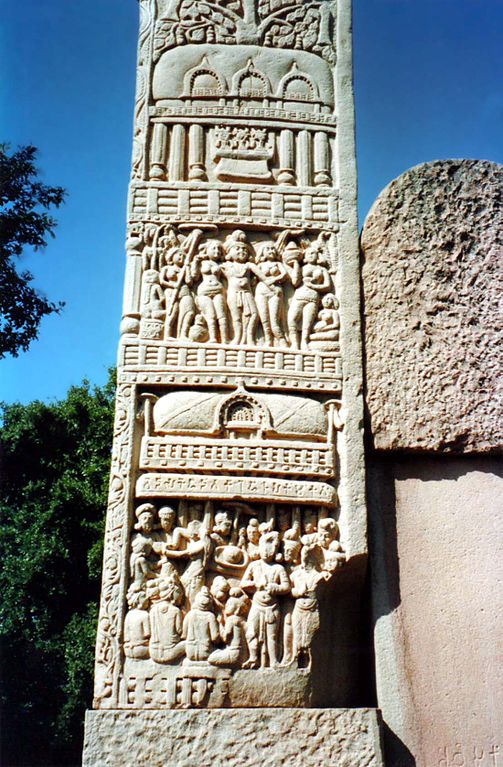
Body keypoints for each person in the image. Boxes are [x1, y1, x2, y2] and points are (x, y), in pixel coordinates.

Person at [240, 531, 290, 668]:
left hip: (272, 607)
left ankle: (273, 661)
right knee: (251, 631)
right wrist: (256, 584)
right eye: (264, 550)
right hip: (257, 604)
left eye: (269, 552)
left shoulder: (278, 568)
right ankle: (253, 658)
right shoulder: (254, 565)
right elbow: (243, 583)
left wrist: (275, 587)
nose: (266, 554)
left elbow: (286, 587)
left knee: (272, 636)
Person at [286, 243, 331, 349]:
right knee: (291, 320)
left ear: (317, 256)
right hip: (299, 295)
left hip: (313, 297)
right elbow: (295, 282)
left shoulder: (322, 269)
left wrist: (313, 286)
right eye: (308, 253)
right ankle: (294, 343)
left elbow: (327, 286)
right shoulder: (302, 268)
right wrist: (296, 265)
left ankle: (304, 343)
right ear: (304, 257)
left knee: (307, 323)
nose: (311, 255)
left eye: (313, 253)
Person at [191, 239, 229, 343]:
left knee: (222, 315)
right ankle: (213, 338)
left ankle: (225, 339)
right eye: (214, 248)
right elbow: (194, 277)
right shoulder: (202, 262)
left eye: (219, 249)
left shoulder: (222, 264)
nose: (217, 251)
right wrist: (195, 263)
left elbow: (230, 277)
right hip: (204, 291)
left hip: (218, 290)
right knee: (210, 315)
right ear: (207, 250)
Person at [254, 241, 288, 346]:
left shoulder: (278, 264)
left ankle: (281, 339)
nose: (271, 251)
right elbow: (254, 279)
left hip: (275, 291)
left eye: (273, 249)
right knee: (264, 319)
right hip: (261, 291)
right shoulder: (260, 265)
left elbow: (284, 275)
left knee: (274, 321)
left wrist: (273, 280)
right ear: (262, 252)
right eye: (268, 249)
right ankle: (268, 340)